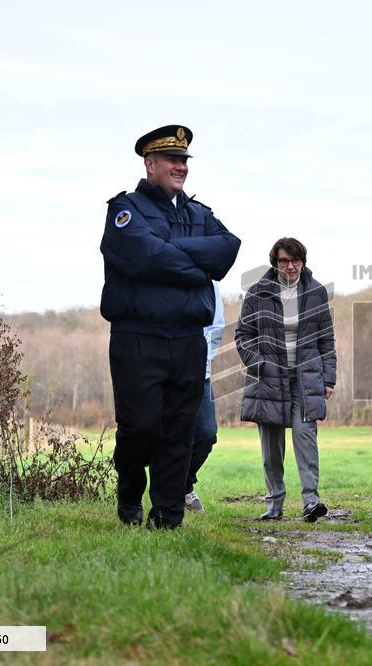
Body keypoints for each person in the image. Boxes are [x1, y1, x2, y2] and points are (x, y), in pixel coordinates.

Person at [100, 125, 240, 529]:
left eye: (184, 161)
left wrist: (168, 251)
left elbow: (228, 249)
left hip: (188, 340)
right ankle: (129, 495)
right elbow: (142, 257)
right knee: (140, 427)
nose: (180, 167)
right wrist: (196, 265)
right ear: (150, 163)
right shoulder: (125, 210)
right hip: (137, 338)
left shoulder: (200, 214)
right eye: (172, 160)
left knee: (180, 431)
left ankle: (167, 515)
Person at [235, 238, 336, 522]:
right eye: (283, 261)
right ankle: (274, 505)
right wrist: (260, 363)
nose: (289, 266)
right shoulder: (257, 293)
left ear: (302, 261)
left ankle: (311, 503)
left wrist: (329, 378)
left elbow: (326, 339)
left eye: (295, 260)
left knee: (306, 438)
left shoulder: (316, 292)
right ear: (275, 263)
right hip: (268, 379)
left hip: (304, 379)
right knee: (271, 447)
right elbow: (242, 336)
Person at [184, 281, 224, 513]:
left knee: (207, 434)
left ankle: (183, 484)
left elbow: (216, 326)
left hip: (201, 374)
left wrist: (203, 359)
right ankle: (174, 490)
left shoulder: (211, 283)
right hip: (169, 371)